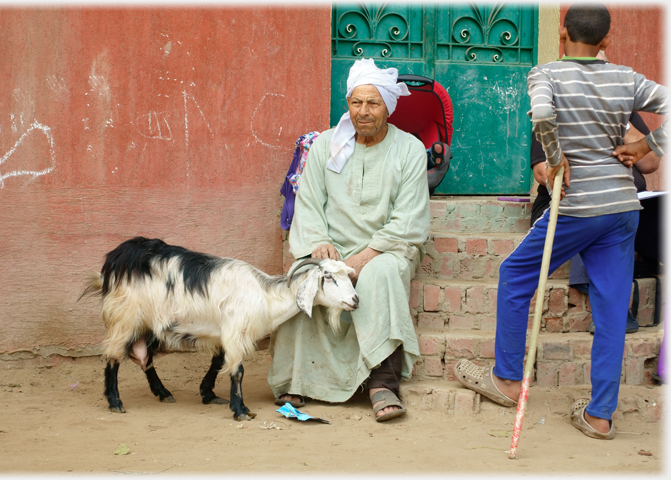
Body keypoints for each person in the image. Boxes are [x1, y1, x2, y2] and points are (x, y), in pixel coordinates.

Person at [455, 3, 667, 440]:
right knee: (610, 309)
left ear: (561, 33)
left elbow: (544, 116)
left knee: (515, 274)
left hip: (576, 206)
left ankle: (509, 379)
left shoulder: (546, 74)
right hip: (623, 207)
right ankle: (599, 415)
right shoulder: (626, 78)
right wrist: (645, 144)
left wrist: (556, 159)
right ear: (607, 40)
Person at [267, 58, 431, 422]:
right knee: (305, 274)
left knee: (381, 274)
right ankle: (300, 377)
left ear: (387, 106)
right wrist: (318, 242)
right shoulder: (327, 145)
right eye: (356, 103)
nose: (364, 112)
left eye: (373, 103)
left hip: (387, 247)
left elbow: (409, 219)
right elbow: (308, 202)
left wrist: (364, 257)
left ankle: (382, 381)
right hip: (332, 246)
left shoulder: (409, 150)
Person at [529, 111, 662, 334]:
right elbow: (542, 172)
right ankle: (612, 309)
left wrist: (620, 123)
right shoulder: (554, 110)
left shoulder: (622, 107)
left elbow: (650, 162)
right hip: (570, 203)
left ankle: (646, 258)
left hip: (628, 204)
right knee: (599, 213)